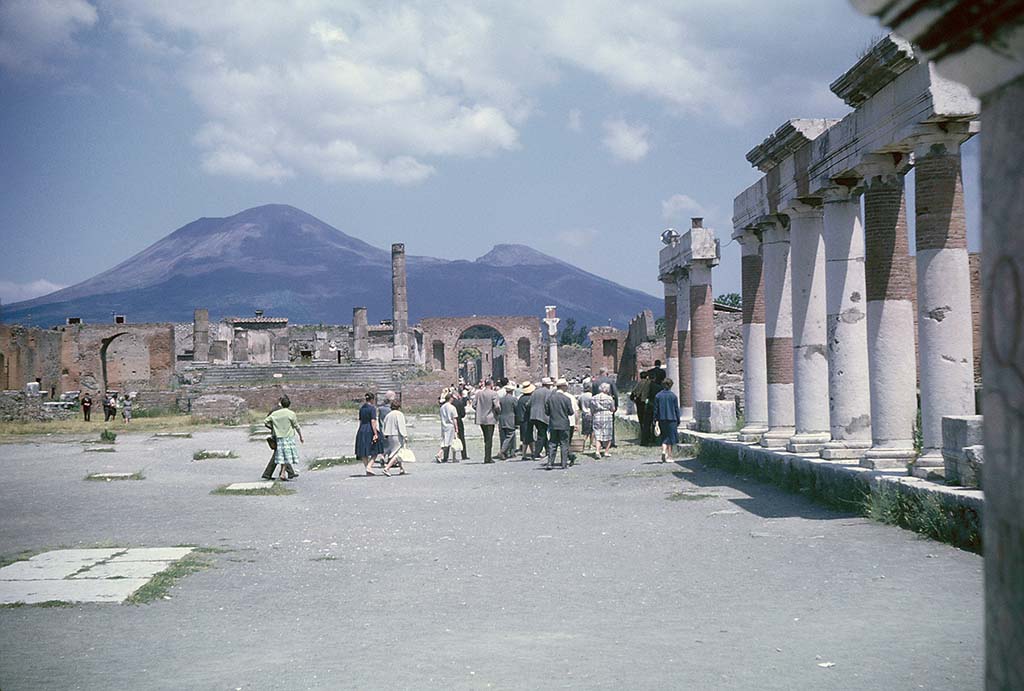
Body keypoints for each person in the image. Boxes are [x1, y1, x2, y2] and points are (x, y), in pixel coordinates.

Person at [264, 395, 304, 481]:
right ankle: (271, 474)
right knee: (283, 454)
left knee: (281, 454)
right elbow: (296, 425)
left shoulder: (274, 411)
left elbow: (266, 421)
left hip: (278, 435)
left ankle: (286, 473)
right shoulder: (280, 411)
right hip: (282, 435)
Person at [544, 378, 575, 469]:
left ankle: (550, 463)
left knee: (552, 443)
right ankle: (564, 463)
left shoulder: (550, 399)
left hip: (553, 424)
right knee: (564, 444)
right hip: (564, 424)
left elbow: (547, 412)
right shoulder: (567, 399)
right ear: (563, 387)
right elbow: (571, 412)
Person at [473, 379, 500, 463]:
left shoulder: (478, 393)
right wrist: (498, 413)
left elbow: (474, 405)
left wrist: (479, 411)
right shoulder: (493, 394)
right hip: (490, 418)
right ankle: (487, 457)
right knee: (489, 439)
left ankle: (487, 456)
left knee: (486, 438)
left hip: (481, 418)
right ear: (491, 384)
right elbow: (497, 406)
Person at [655, 378, 681, 463]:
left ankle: (663, 451)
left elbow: (656, 409)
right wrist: (678, 419)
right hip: (672, 418)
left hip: (662, 418)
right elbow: (676, 409)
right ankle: (669, 456)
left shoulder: (658, 396)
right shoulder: (673, 396)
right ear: (671, 385)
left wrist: (655, 419)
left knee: (664, 436)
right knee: (671, 438)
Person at [591, 368, 619, 446]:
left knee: (598, 426)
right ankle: (610, 442)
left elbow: (593, 395)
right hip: (609, 405)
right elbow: (615, 394)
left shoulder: (595, 382)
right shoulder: (610, 381)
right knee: (609, 424)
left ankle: (600, 443)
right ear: (606, 373)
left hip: (597, 406)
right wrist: (616, 405)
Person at [355, 392, 380, 476]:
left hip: (362, 428)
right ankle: (369, 466)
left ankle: (367, 468)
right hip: (369, 429)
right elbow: (373, 421)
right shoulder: (372, 408)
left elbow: (361, 420)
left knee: (363, 450)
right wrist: (375, 433)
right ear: (372, 399)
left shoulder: (362, 408)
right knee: (376, 448)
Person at [381, 401, 408, 476]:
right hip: (397, 435)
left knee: (395, 450)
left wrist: (385, 434)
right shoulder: (399, 414)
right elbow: (401, 425)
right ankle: (387, 468)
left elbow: (384, 424)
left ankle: (401, 468)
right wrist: (405, 435)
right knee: (398, 452)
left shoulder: (388, 415)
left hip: (389, 434)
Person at [529, 377, 553, 458]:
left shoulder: (535, 392)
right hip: (543, 416)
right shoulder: (548, 392)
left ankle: (548, 451)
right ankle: (536, 453)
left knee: (542, 433)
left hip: (533, 415)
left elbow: (528, 404)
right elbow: (548, 404)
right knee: (541, 435)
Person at [592, 382, 616, 458]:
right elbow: (613, 409)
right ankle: (606, 451)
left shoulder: (594, 398)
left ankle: (597, 451)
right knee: (608, 434)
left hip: (597, 415)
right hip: (607, 416)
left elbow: (592, 408)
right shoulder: (609, 398)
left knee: (597, 433)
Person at [631, 372, 654, 445]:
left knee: (642, 422)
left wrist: (635, 400)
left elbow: (632, 395)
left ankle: (644, 438)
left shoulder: (638, 384)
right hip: (648, 404)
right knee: (649, 422)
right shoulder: (650, 384)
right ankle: (651, 437)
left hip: (639, 404)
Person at [496, 382, 517, 460]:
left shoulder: (501, 399)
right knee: (510, 435)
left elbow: (497, 408)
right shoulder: (513, 399)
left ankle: (508, 453)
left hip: (502, 418)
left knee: (503, 436)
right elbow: (516, 409)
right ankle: (503, 451)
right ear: (512, 391)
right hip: (510, 418)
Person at [372, 392, 393, 468]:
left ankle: (382, 457)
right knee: (390, 445)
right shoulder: (390, 410)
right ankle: (389, 460)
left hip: (382, 428)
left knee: (384, 445)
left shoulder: (380, 409)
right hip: (389, 429)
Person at [436, 393, 459, 463]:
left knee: (445, 440)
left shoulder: (442, 407)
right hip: (450, 426)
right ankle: (440, 454)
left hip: (443, 425)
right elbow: (454, 418)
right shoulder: (452, 407)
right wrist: (456, 428)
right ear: (451, 398)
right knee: (451, 442)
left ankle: (446, 457)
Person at [515, 381, 535, 460]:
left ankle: (532, 452)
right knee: (526, 437)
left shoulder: (521, 398)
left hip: (522, 420)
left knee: (527, 436)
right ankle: (525, 454)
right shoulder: (529, 399)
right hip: (527, 419)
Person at [451, 387, 469, 461]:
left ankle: (448, 455)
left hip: (450, 422)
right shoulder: (459, 403)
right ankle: (463, 455)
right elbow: (463, 414)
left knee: (450, 439)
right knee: (461, 438)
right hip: (458, 421)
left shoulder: (450, 404)